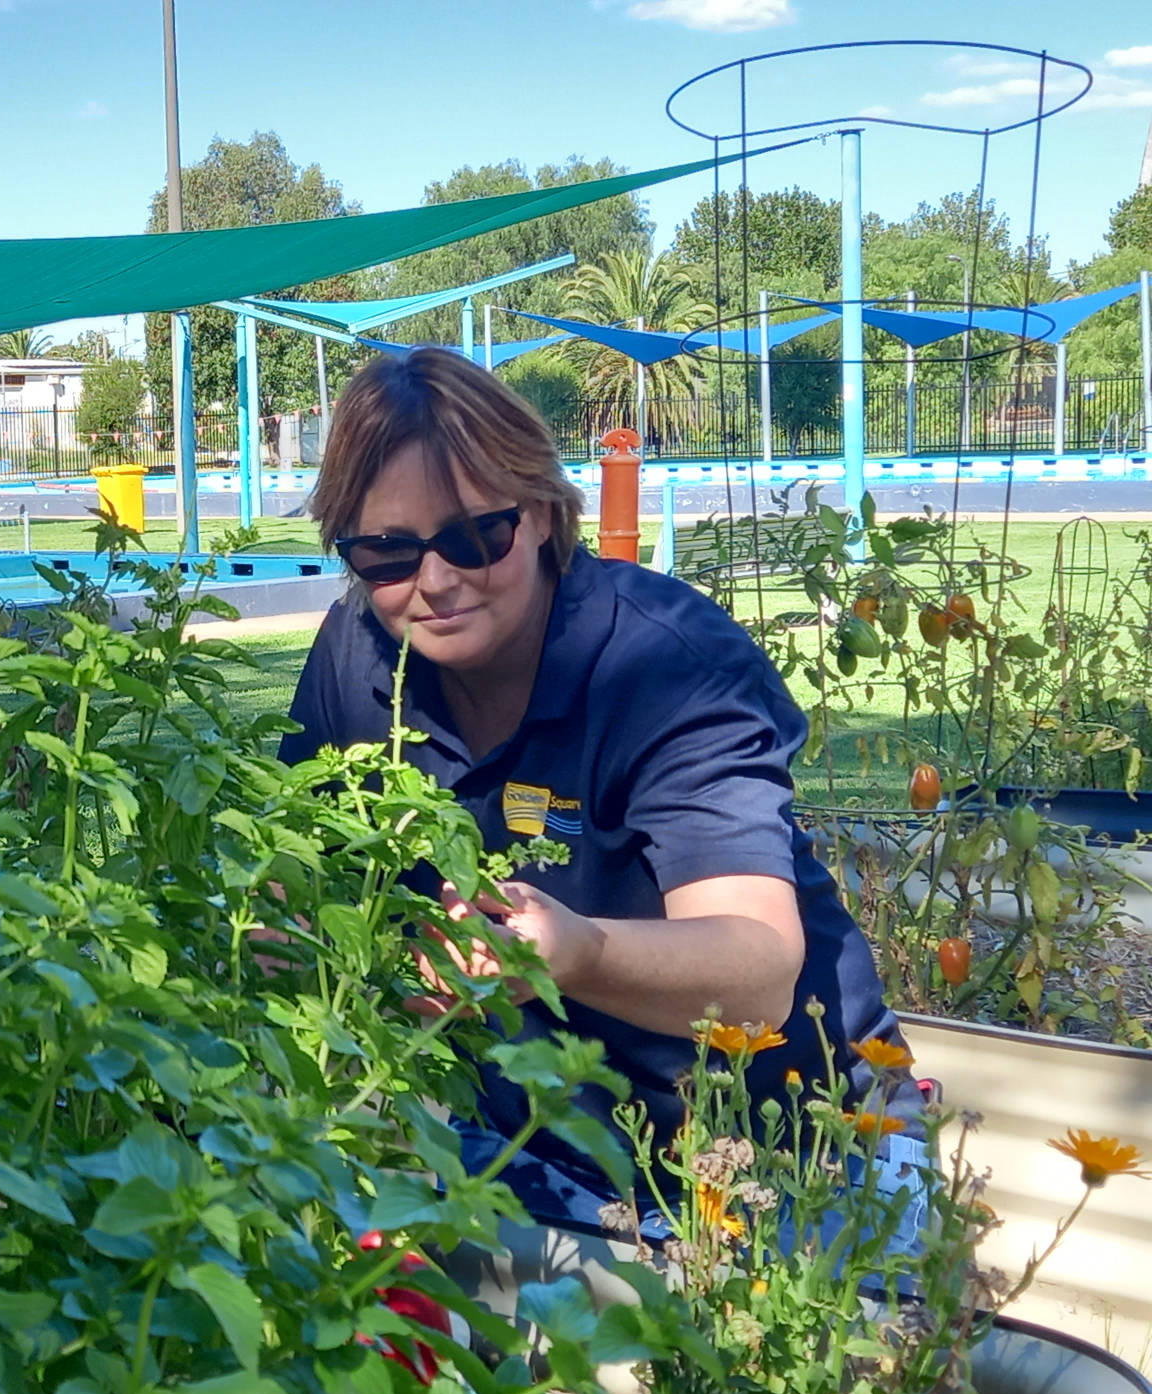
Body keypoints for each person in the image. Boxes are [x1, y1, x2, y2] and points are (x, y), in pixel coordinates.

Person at [277, 347, 923, 1234]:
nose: (432, 581)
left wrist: (573, 951)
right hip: (527, 1146)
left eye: (473, 537)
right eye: (386, 554)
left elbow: (761, 972)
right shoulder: (358, 657)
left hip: (797, 1153)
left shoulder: (662, 665)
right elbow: (288, 897)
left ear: (541, 513)